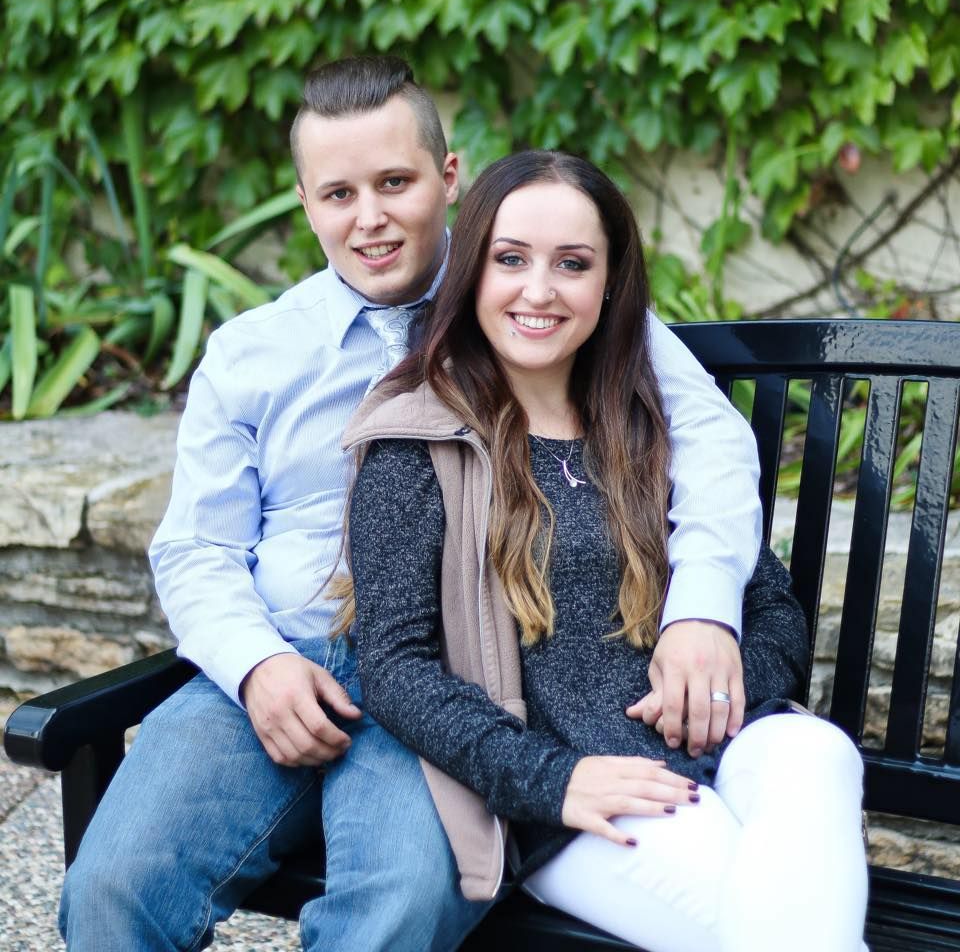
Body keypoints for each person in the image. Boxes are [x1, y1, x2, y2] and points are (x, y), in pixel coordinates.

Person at [59, 57, 764, 951]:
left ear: (450, 176)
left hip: (446, 674)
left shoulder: (525, 301)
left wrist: (702, 608)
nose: (370, 217)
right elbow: (196, 548)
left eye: (395, 182)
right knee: (114, 889)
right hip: (279, 657)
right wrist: (256, 665)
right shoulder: (252, 353)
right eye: (338, 194)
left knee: (401, 902)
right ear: (306, 203)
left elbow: (711, 439)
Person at [344, 149, 869, 951]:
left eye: (573, 264)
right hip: (575, 793)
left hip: (733, 742)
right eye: (510, 259)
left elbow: (767, 602)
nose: (539, 290)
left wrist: (712, 695)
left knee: (819, 753)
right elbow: (394, 666)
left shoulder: (651, 421)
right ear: (471, 270)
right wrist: (551, 779)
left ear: (611, 283)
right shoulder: (420, 443)